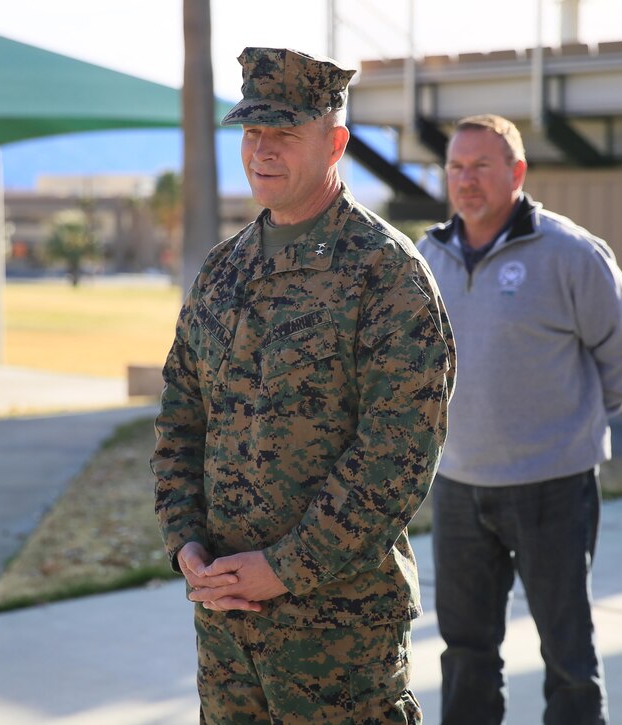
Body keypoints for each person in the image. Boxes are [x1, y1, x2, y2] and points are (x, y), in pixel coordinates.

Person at [151, 47, 456, 724]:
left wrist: (286, 565)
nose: (262, 150)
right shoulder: (223, 271)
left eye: (284, 134)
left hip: (337, 641)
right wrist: (187, 544)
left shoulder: (385, 274)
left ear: (335, 143)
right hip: (228, 632)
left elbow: (397, 455)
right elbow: (179, 419)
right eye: (252, 132)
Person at [416, 114, 622, 724]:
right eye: (456, 167)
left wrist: (576, 426)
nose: (467, 181)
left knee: (567, 654)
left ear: (517, 172)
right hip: (460, 487)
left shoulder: (570, 253)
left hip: (552, 487)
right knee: (466, 652)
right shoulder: (427, 257)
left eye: (482, 166)